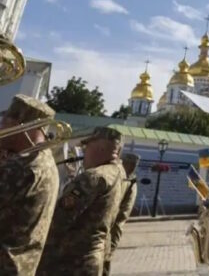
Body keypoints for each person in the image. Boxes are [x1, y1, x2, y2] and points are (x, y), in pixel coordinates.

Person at [38, 126, 126, 276]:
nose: (84, 151)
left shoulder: (93, 177)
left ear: (101, 147)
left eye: (87, 146)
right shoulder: (119, 173)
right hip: (92, 260)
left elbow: (57, 221)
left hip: (70, 263)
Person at [0, 95, 59, 275]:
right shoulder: (46, 160)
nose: (1, 127)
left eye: (5, 122)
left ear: (23, 125)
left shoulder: (20, 167)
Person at [102, 152, 140, 276]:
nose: (131, 167)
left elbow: (122, 216)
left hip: (110, 231)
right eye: (129, 164)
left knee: (105, 262)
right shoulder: (119, 177)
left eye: (133, 165)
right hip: (104, 228)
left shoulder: (131, 183)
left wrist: (111, 246)